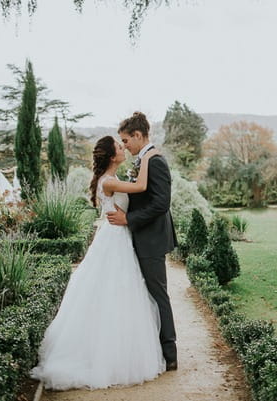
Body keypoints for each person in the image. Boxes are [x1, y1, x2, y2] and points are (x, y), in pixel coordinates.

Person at [31, 135, 165, 390]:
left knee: (116, 290)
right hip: (115, 238)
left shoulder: (110, 179)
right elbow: (142, 187)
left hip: (116, 235)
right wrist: (147, 158)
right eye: (118, 146)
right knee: (116, 290)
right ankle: (109, 355)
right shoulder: (109, 181)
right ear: (111, 156)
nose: (122, 147)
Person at [106, 111, 178, 371]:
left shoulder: (155, 160)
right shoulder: (144, 159)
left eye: (126, 140)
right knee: (147, 294)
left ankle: (170, 354)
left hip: (151, 239)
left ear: (138, 135)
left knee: (158, 295)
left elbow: (161, 203)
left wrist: (129, 219)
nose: (124, 145)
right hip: (142, 236)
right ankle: (154, 349)